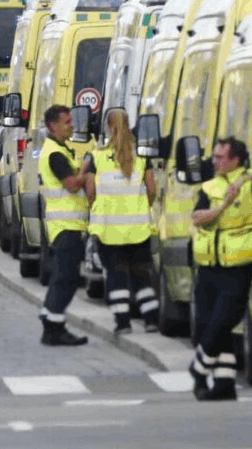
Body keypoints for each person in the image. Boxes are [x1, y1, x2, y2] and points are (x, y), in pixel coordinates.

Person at [189, 136, 252, 401]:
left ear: (236, 160)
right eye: (215, 156)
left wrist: (242, 181)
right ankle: (224, 384)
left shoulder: (250, 183)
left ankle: (198, 369)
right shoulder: (209, 186)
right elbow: (198, 217)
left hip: (237, 266)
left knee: (222, 323)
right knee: (208, 325)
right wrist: (222, 205)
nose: (215, 160)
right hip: (209, 266)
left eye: (221, 157)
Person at [83, 108, 160, 335]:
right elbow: (152, 189)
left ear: (107, 126)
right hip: (139, 229)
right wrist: (140, 206)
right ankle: (150, 320)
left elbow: (90, 190)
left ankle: (123, 323)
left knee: (117, 278)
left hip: (108, 229)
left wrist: (97, 207)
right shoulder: (141, 157)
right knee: (142, 277)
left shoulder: (96, 157)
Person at [38, 104, 92, 347]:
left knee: (64, 277)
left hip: (68, 225)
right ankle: (53, 327)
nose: (72, 125)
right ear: (53, 126)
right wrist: (85, 170)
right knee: (66, 279)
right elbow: (72, 185)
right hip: (65, 226)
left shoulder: (59, 150)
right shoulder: (55, 154)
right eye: (67, 121)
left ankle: (51, 319)